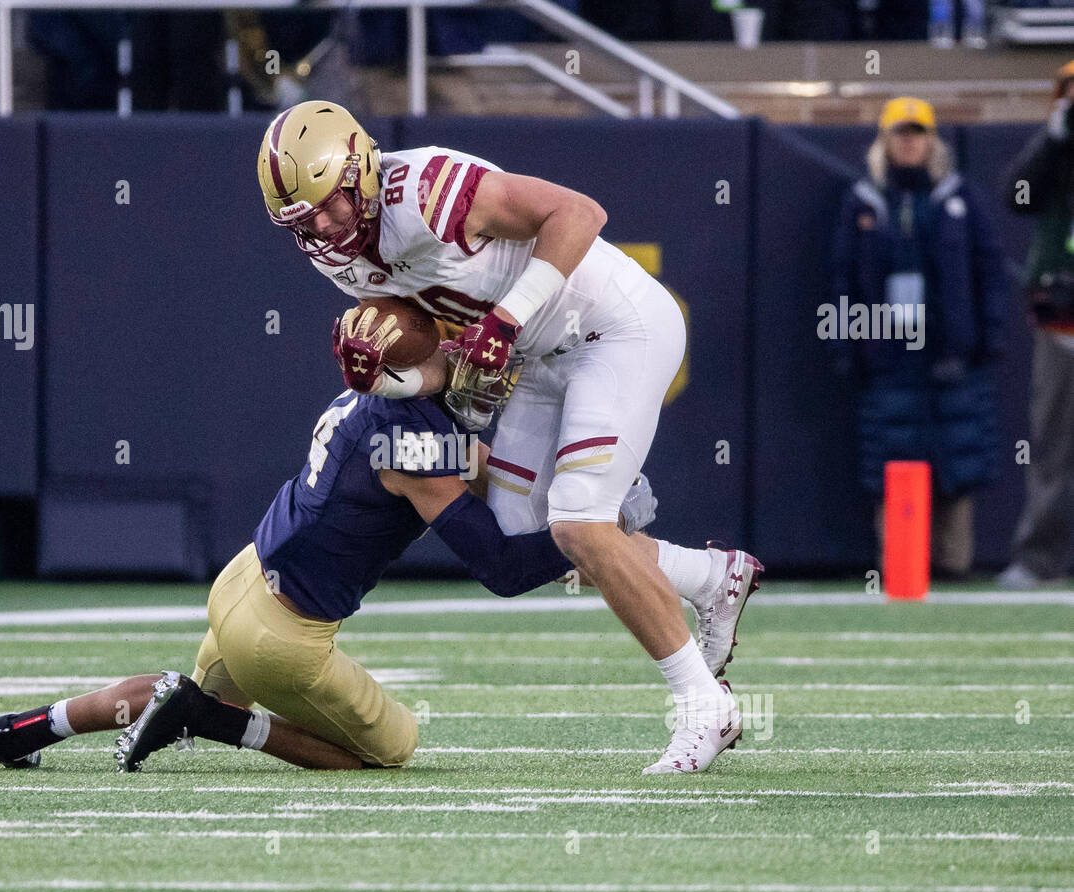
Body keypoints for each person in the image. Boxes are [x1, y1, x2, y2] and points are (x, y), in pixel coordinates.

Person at [257, 101, 760, 775]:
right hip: (539, 358)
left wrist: (505, 318)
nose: (319, 225)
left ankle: (705, 705)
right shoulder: (341, 261)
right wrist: (389, 383)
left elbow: (579, 213)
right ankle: (710, 575)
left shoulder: (431, 191)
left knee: (580, 523)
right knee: (525, 533)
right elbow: (450, 357)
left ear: (360, 170)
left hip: (615, 328)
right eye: (301, 219)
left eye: (326, 205)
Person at [0, 348, 690, 772]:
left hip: (242, 581)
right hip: (284, 635)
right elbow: (496, 566)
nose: (480, 378)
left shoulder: (373, 404)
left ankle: (24, 730)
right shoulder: (413, 443)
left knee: (191, 688)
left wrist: (581, 501)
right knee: (387, 754)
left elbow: (474, 463)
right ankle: (208, 722)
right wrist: (594, 530)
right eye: (458, 359)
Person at [831, 96, 1009, 579]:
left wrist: (986, 339)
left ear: (932, 140)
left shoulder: (959, 198)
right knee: (893, 457)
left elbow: (988, 272)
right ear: (884, 140)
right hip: (888, 353)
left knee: (957, 456)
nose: (909, 141)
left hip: (952, 353)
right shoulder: (864, 200)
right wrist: (849, 347)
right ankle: (901, 565)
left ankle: (954, 565)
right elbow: (843, 280)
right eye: (900, 133)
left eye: (917, 132)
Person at [998, 61, 1074, 589]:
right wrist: (1056, 138)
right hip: (1063, 320)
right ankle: (1039, 558)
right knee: (1052, 445)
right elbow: (1016, 193)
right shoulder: (1056, 151)